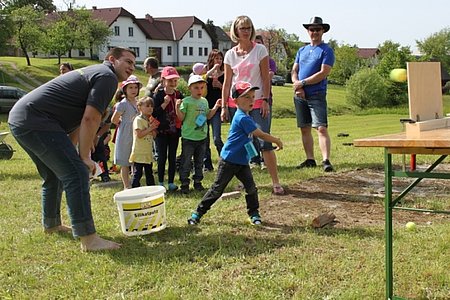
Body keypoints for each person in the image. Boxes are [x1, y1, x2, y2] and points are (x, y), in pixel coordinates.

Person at [8, 46, 136, 251]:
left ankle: (52, 224)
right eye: (128, 61)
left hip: (22, 119)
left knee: (54, 174)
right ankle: (89, 239)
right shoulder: (107, 77)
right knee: (76, 172)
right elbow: (90, 118)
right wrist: (84, 157)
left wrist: (75, 150)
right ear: (112, 59)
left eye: (134, 64)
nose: (132, 67)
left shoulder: (96, 73)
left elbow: (78, 120)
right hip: (36, 120)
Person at [187, 81, 283, 226]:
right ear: (235, 100)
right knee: (217, 190)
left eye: (252, 97)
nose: (251, 100)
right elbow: (260, 134)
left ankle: (254, 214)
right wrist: (276, 140)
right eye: (246, 97)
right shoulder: (242, 118)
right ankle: (197, 214)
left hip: (242, 162)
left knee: (251, 188)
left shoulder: (246, 116)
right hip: (229, 161)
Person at [221, 15, 285, 195]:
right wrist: (225, 106)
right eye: (243, 28)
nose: (247, 31)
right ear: (236, 31)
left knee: (265, 142)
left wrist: (265, 99)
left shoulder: (260, 50)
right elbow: (227, 82)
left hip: (257, 102)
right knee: (242, 144)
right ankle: (244, 182)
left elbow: (265, 78)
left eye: (249, 28)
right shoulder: (230, 54)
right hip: (237, 104)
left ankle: (275, 182)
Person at [291, 16, 335, 172]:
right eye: (311, 29)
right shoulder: (301, 50)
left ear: (323, 31)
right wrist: (297, 86)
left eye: (317, 29)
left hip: (316, 94)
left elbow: (323, 73)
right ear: (308, 31)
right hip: (300, 95)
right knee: (304, 128)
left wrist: (303, 83)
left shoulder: (326, 50)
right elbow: (294, 70)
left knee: (321, 128)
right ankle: (310, 159)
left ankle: (326, 160)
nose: (314, 32)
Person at [175, 75, 221, 194]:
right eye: (196, 88)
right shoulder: (186, 101)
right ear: (190, 88)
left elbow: (208, 116)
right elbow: (182, 117)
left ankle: (198, 182)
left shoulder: (204, 101)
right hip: (189, 137)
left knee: (199, 161)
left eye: (202, 87)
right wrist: (176, 107)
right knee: (186, 161)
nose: (199, 90)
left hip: (202, 137)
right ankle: (184, 183)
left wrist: (215, 107)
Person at [152, 66, 184, 191]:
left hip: (174, 131)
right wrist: (164, 104)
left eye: (175, 80)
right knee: (161, 157)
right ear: (163, 80)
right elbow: (154, 114)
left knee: (172, 156)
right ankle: (160, 182)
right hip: (161, 131)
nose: (173, 83)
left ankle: (171, 182)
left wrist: (179, 106)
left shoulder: (178, 94)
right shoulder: (158, 95)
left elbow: (182, 112)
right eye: (170, 80)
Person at [111, 75, 141, 190]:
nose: (133, 90)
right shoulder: (123, 104)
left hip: (136, 133)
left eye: (135, 87)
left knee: (135, 159)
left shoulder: (138, 103)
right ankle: (126, 185)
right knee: (125, 161)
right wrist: (123, 124)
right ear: (125, 90)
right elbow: (114, 119)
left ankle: (134, 182)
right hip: (125, 134)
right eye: (130, 88)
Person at [129, 96, 159, 188]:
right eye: (147, 106)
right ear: (140, 107)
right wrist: (150, 128)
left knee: (149, 173)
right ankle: (134, 190)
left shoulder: (150, 120)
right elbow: (139, 134)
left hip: (147, 152)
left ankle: (152, 190)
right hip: (139, 152)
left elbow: (154, 136)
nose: (150, 108)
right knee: (138, 173)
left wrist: (153, 127)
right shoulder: (138, 120)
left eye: (151, 106)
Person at [203, 49, 225, 171]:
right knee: (205, 139)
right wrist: (212, 71)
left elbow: (227, 91)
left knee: (217, 138)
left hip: (216, 109)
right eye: (217, 58)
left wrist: (220, 86)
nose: (219, 61)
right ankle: (207, 165)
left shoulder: (224, 73)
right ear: (211, 59)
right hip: (205, 109)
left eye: (221, 59)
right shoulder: (206, 73)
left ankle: (224, 161)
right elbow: (201, 80)